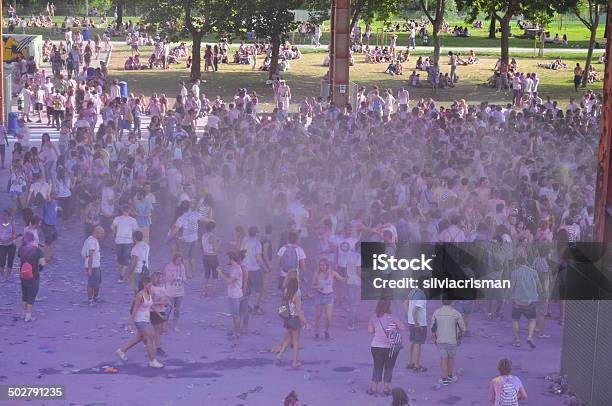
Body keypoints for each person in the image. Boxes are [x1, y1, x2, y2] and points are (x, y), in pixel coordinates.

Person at [116, 275, 165, 368]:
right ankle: (152, 361)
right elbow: (134, 310)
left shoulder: (149, 293)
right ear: (144, 284)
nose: (151, 284)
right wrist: (130, 323)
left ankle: (122, 350)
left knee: (139, 338)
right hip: (139, 320)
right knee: (150, 338)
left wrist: (159, 314)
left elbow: (151, 305)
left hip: (146, 319)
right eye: (149, 283)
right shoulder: (140, 295)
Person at [367, 300, 406, 396]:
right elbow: (402, 328)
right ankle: (386, 389)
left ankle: (373, 388)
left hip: (376, 346)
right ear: (389, 306)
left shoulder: (374, 316)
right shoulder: (393, 317)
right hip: (391, 347)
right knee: (389, 368)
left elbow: (370, 330)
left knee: (377, 367)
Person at [276, 277, 309, 368]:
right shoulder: (296, 295)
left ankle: (280, 354)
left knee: (289, 338)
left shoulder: (287, 292)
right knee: (295, 342)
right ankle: (295, 362)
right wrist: (305, 322)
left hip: (287, 319)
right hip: (295, 319)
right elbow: (298, 311)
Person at [431, 299, 466, 385]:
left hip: (440, 339)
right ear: (452, 302)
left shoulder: (436, 312)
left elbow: (433, 328)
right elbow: (463, 328)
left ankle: (444, 379)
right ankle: (450, 376)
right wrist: (460, 337)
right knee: (451, 358)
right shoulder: (456, 313)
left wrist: (434, 338)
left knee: (443, 359)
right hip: (452, 340)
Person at [510, 257, 541, 348]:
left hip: (517, 301)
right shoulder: (534, 272)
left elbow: (511, 287)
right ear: (525, 262)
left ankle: (517, 340)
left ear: (518, 263)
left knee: (515, 320)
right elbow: (539, 285)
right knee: (532, 320)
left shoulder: (514, 273)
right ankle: (530, 336)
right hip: (530, 301)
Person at [312, 258, 345, 340]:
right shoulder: (317, 273)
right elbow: (312, 285)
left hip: (329, 296)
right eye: (320, 265)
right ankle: (316, 332)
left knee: (329, 317)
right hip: (319, 295)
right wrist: (318, 286)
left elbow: (342, 279)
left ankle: (326, 331)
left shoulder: (332, 273)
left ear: (327, 265)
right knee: (318, 316)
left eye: (323, 265)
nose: (322, 266)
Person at [219, 250, 248, 339]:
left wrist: (220, 273)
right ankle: (236, 330)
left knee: (236, 315)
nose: (226, 260)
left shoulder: (237, 269)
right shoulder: (235, 268)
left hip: (235, 295)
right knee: (235, 315)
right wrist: (223, 272)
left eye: (227, 258)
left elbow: (229, 281)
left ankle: (237, 332)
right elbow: (231, 276)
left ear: (231, 259)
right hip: (233, 294)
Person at [18, 232, 45, 322]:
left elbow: (20, 262)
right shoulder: (37, 251)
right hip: (34, 276)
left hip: (23, 275)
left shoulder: (21, 249)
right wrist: (39, 269)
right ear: (33, 240)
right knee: (31, 296)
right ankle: (28, 316)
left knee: (24, 295)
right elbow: (42, 263)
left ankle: (23, 313)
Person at [243, 226, 270, 314]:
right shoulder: (257, 243)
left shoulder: (245, 242)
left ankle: (246, 306)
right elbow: (258, 258)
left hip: (246, 268)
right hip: (255, 269)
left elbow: (241, 253)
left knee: (248, 288)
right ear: (256, 233)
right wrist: (265, 268)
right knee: (259, 289)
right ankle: (256, 307)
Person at [112, 205, 139, 282]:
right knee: (126, 259)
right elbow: (135, 231)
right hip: (128, 241)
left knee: (120, 259)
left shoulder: (117, 219)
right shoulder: (133, 220)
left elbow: (112, 227)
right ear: (129, 211)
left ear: (122, 210)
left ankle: (121, 274)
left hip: (118, 240)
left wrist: (115, 234)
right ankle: (121, 276)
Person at [404, 281, 427, 372]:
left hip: (411, 322)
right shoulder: (421, 295)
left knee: (411, 341)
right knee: (418, 344)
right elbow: (415, 310)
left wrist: (409, 316)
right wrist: (417, 323)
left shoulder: (412, 292)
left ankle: (410, 362)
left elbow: (405, 304)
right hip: (419, 323)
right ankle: (417, 365)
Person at [163, 254, 187, 332]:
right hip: (170, 292)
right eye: (178, 260)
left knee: (177, 310)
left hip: (180, 291)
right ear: (174, 259)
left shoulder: (182, 267)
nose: (179, 262)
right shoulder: (168, 266)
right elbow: (168, 279)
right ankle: (164, 325)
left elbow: (184, 277)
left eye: (181, 260)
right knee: (168, 309)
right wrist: (177, 278)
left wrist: (183, 280)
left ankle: (175, 325)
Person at [82, 226, 105, 305]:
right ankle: (90, 299)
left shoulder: (93, 240)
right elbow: (90, 256)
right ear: (96, 232)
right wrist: (90, 269)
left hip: (96, 265)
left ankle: (95, 297)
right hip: (93, 266)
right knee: (91, 283)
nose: (103, 235)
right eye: (101, 233)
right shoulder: (92, 242)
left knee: (97, 282)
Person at [150, 271, 169, 357]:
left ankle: (148, 338)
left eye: (162, 277)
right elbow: (150, 302)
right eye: (160, 278)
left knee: (164, 329)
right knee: (157, 330)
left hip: (162, 309)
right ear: (156, 279)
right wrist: (160, 303)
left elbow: (164, 297)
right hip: (154, 311)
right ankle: (159, 348)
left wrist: (167, 302)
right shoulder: (152, 289)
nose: (162, 279)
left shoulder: (163, 286)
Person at [201, 221, 220, 296]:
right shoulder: (213, 237)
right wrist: (219, 243)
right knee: (215, 275)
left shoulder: (203, 236)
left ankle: (203, 291)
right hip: (213, 257)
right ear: (213, 228)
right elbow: (215, 249)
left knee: (206, 274)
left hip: (205, 257)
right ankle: (214, 292)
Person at [0, 209, 18, 282]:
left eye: (5, 215)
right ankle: (2, 276)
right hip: (1, 245)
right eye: (2, 215)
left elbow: (15, 234)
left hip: (11, 244)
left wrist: (12, 237)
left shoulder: (12, 223)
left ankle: (8, 276)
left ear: (9, 216)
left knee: (10, 260)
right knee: (2, 261)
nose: (4, 217)